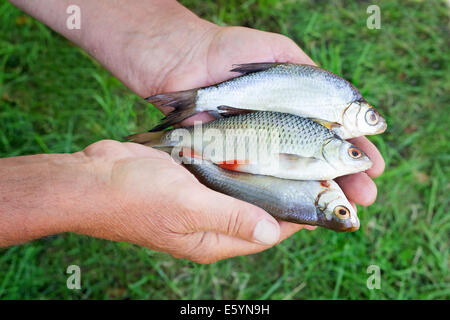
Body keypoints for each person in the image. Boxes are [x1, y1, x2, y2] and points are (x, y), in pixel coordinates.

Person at [1, 0, 384, 264]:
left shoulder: (322, 150)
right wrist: (93, 191)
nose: (358, 153)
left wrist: (179, 46)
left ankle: (180, 140)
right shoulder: (324, 145)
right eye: (353, 153)